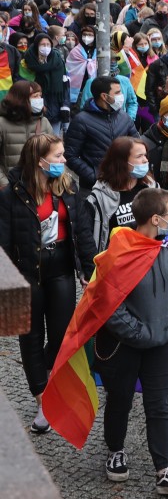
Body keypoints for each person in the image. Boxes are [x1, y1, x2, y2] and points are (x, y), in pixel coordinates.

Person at [93, 188, 168, 496]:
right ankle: (115, 449)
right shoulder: (120, 253)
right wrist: (139, 333)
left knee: (159, 405)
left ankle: (164, 469)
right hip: (125, 346)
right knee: (120, 399)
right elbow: (109, 304)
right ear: (155, 218)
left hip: (160, 343)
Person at [0, 134, 79, 434]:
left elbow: (78, 230)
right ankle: (43, 398)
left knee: (62, 335)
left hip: (60, 268)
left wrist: (84, 267)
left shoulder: (67, 188)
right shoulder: (10, 195)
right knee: (31, 336)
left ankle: (48, 372)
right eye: (58, 156)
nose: (63, 161)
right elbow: (3, 240)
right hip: (26, 273)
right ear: (39, 160)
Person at [76, 137, 158, 271]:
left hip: (148, 262)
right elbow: (87, 239)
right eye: (139, 156)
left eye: (145, 155)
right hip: (116, 268)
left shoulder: (151, 187)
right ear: (122, 162)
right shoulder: (99, 198)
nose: (146, 160)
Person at [65, 76, 140, 185]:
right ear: (104, 96)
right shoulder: (81, 120)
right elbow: (70, 155)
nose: (121, 96)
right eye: (117, 93)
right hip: (93, 188)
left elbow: (137, 145)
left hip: (123, 183)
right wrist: (94, 176)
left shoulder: (124, 117)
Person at [0, 81, 53, 186]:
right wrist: (5, 185)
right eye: (35, 96)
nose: (39, 100)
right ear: (20, 99)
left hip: (38, 187)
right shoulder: (2, 124)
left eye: (40, 96)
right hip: (11, 188)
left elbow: (54, 154)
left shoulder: (44, 122)